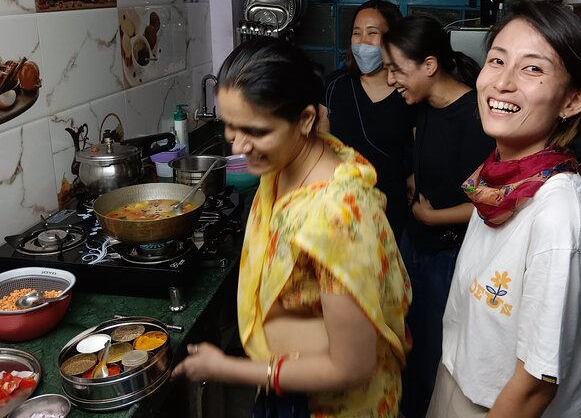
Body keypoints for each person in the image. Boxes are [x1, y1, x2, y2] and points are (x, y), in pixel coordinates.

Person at [171, 37, 411, 417]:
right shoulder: (286, 160)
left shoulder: (336, 216)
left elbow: (351, 366)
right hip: (285, 376)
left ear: (305, 120)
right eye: (230, 127)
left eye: (256, 131)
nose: (238, 147)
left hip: (325, 403)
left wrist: (230, 369)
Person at [427, 1, 581, 418]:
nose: (502, 83)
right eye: (496, 61)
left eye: (533, 69)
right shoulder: (501, 180)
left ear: (573, 100)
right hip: (456, 379)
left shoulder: (557, 218)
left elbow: (532, 389)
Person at [381, 15, 496, 418]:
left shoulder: (476, 118)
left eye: (397, 68)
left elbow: (489, 201)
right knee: (405, 342)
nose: (391, 78)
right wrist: (416, 176)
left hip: (447, 257)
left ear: (429, 66)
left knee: (433, 354)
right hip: (414, 244)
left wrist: (435, 218)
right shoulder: (424, 105)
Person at [319, 0, 414, 238]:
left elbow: (417, 156)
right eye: (356, 33)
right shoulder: (335, 85)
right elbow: (320, 144)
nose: (362, 43)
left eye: (373, 34)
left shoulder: (409, 91)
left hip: (392, 211)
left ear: (393, 40)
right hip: (340, 208)